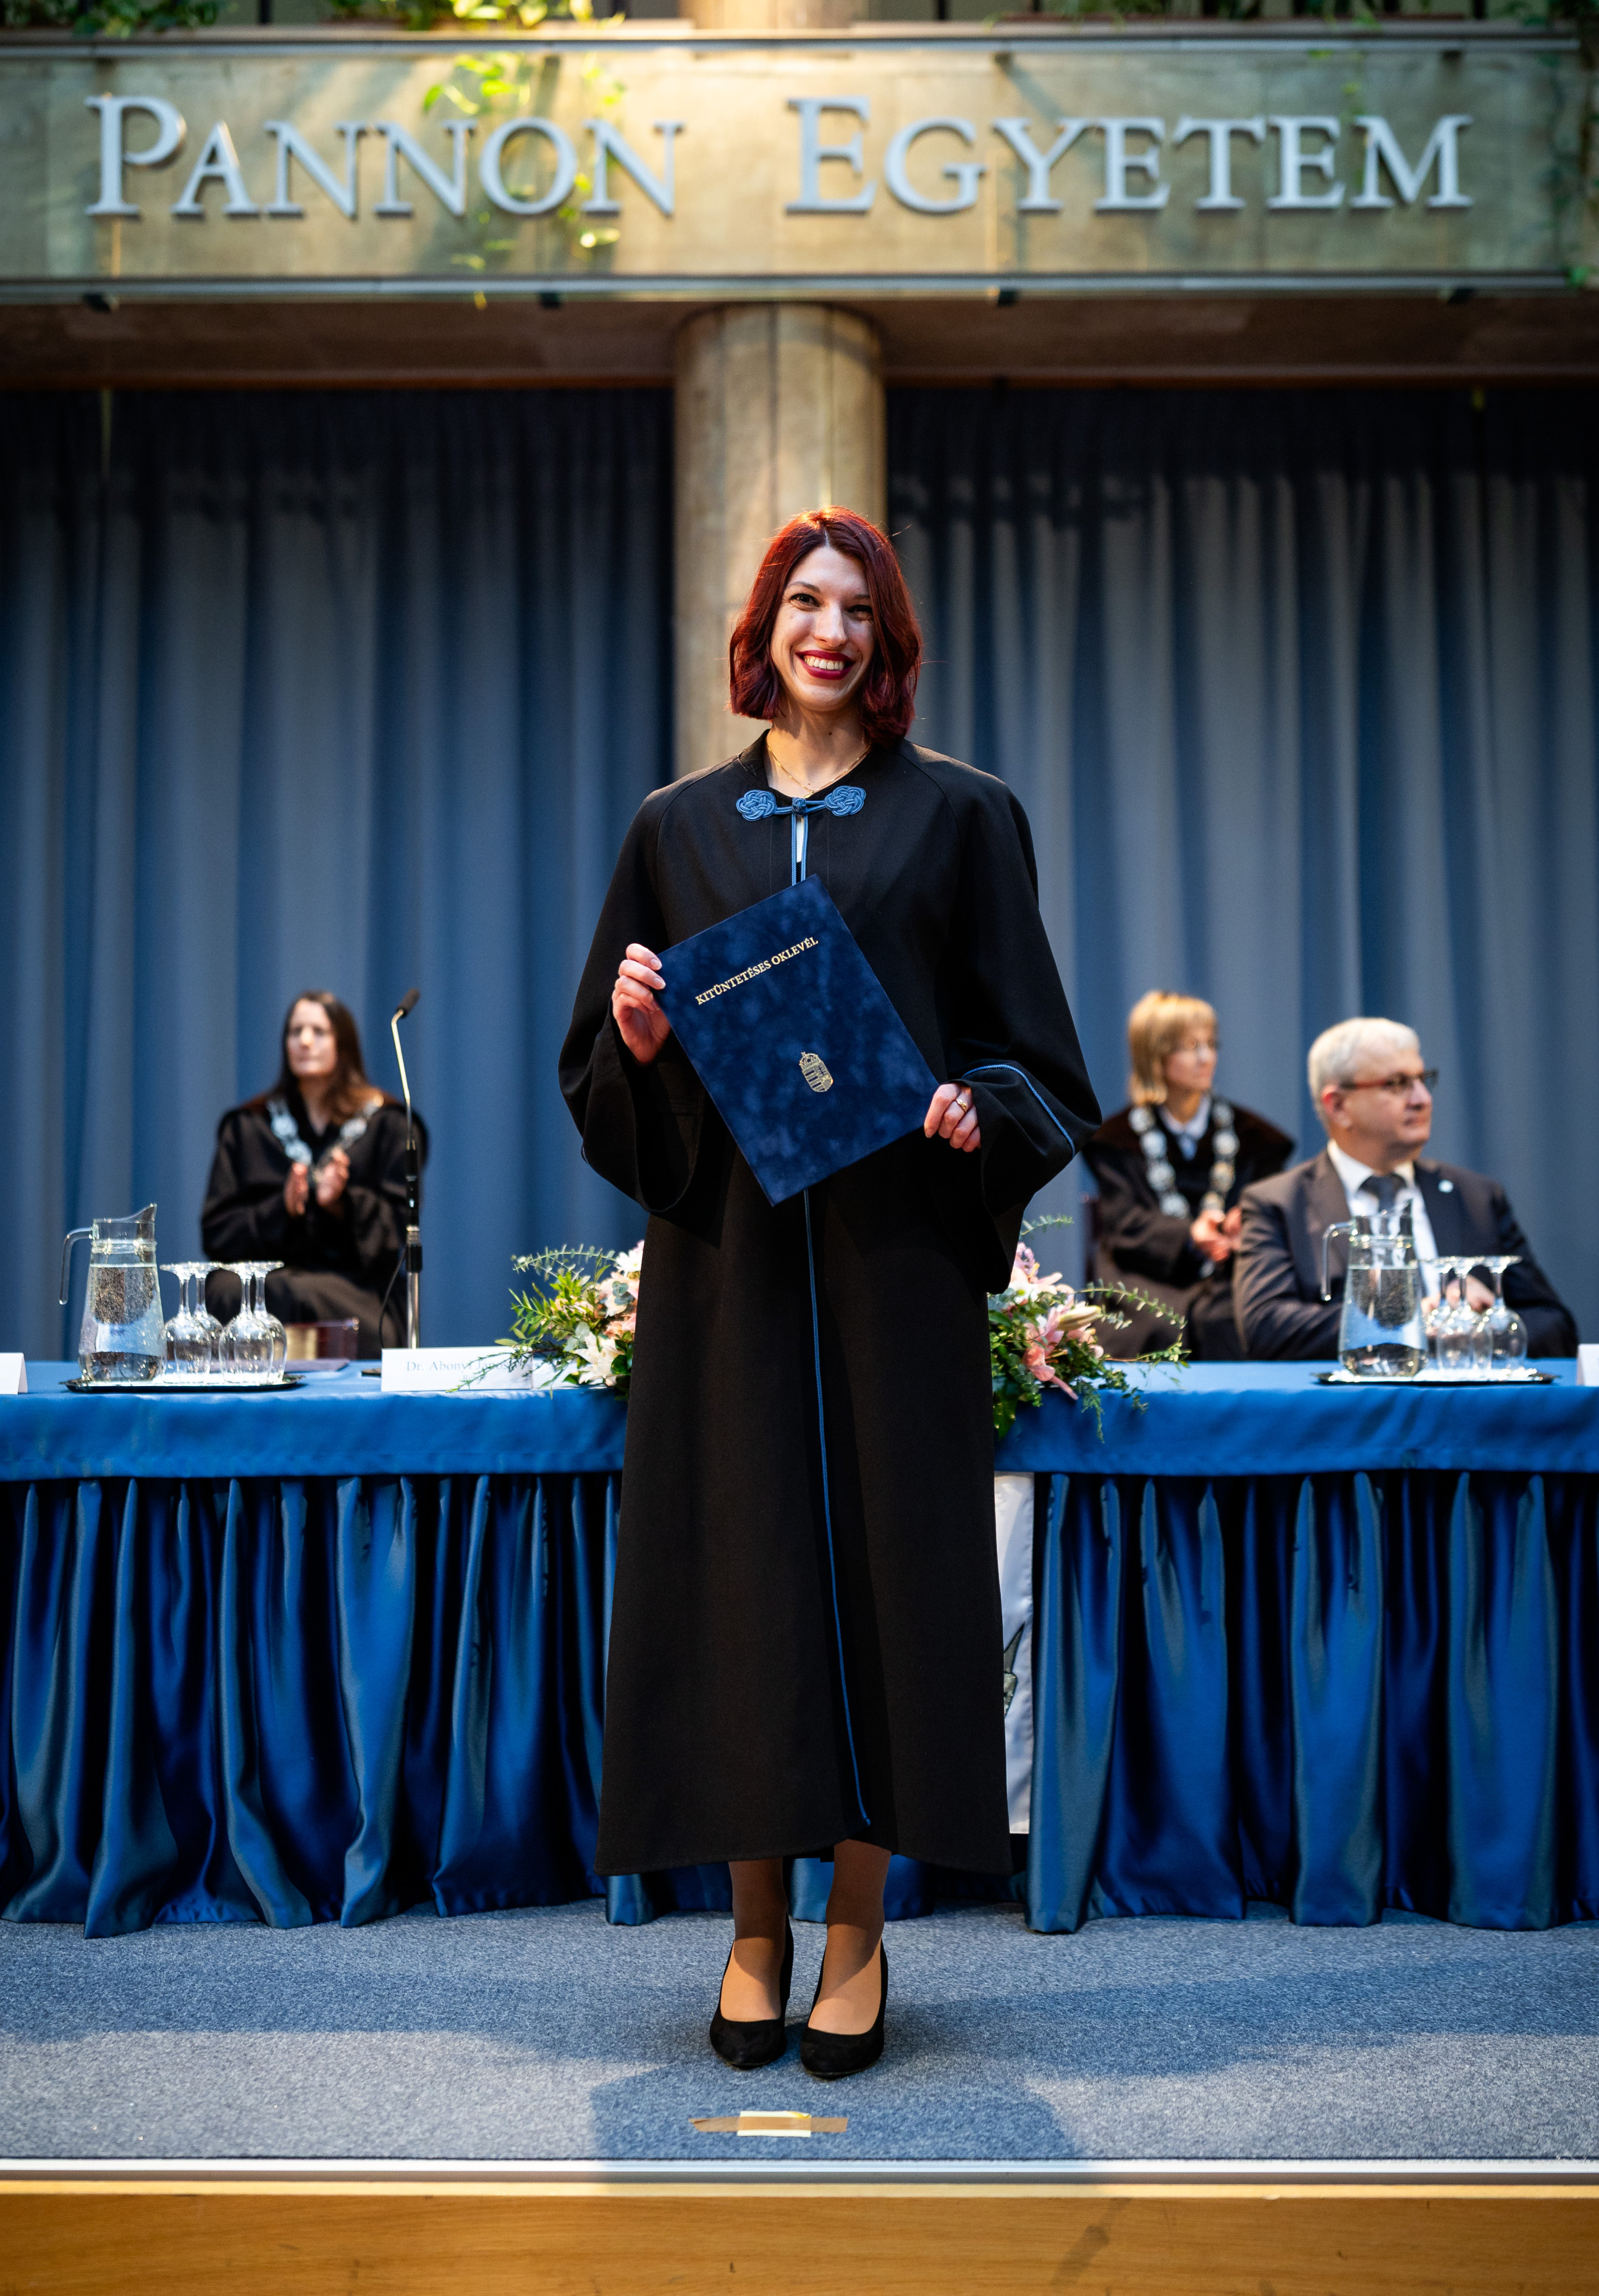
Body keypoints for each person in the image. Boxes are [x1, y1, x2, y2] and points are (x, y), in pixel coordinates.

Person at [560, 507, 1097, 2080]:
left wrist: (974, 1109)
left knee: (885, 1584)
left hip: (893, 1273)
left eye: (858, 608)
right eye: (805, 601)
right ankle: (753, 1928)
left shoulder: (962, 815)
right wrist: (641, 1045)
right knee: (741, 1587)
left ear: (888, 637)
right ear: (763, 626)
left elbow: (1038, 1061)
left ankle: (854, 1928)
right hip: (728, 1273)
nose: (830, 630)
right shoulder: (677, 825)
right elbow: (596, 1071)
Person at [1234, 1015, 1574, 1359]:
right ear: (1338, 1106)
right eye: (1397, 1084)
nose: (1422, 1099)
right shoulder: (1278, 1204)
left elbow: (1555, 1325)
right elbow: (1266, 1329)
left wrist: (1488, 1321)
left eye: (1423, 1080)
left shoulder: (1477, 1198)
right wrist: (1403, 1321)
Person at [203, 991, 426, 1355]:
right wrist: (282, 1208)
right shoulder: (248, 1126)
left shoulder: (388, 1125)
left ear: (344, 1044)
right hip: (263, 1282)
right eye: (296, 1032)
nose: (305, 1041)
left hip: (352, 1286)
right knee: (228, 1290)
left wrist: (342, 1203)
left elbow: (396, 1232)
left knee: (304, 1294)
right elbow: (217, 1235)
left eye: (319, 1031)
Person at [1085, 992, 1293, 1360]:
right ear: (1155, 1054)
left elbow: (1269, 1209)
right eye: (1190, 1047)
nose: (1206, 1058)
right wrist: (1190, 1236)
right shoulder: (1116, 1141)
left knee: (1233, 1320)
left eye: (1211, 1045)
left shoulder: (1257, 1139)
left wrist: (1243, 1222)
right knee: (1156, 1326)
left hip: (1231, 1276)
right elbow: (1126, 1225)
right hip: (1146, 1276)